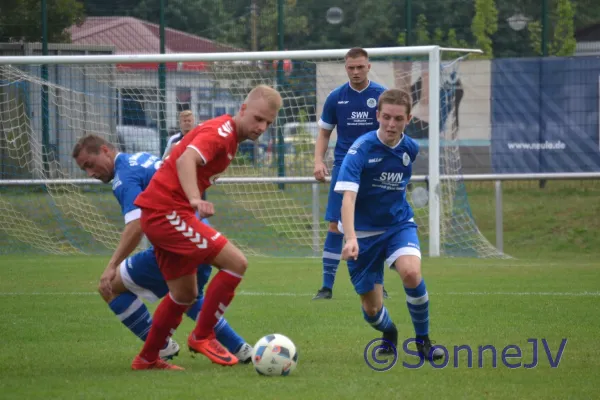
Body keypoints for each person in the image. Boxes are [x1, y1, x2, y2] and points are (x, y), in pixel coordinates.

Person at [130, 84, 282, 370]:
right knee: (236, 263)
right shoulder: (222, 133)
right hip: (166, 212)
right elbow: (187, 158)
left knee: (184, 295)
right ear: (243, 109)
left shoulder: (228, 136)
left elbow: (180, 149)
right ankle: (203, 335)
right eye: (258, 119)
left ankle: (147, 358)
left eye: (268, 123)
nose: (261, 127)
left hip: (164, 212)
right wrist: (194, 199)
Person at [71, 135, 253, 365]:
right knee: (186, 296)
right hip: (202, 239)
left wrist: (111, 266)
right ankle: (241, 348)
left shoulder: (124, 177)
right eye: (84, 169)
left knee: (109, 286)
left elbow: (136, 225)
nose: (90, 173)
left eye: (90, 164)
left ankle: (159, 346)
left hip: (177, 242)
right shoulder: (142, 159)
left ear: (105, 151)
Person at [334, 89, 444, 361]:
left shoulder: (410, 147)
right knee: (372, 311)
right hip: (361, 233)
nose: (391, 124)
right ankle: (390, 331)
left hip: (398, 225)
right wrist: (350, 238)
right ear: (377, 116)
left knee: (410, 273)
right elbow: (348, 198)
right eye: (386, 117)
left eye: (398, 119)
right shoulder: (360, 150)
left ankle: (423, 341)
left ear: (408, 119)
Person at [313, 47, 388, 300]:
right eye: (350, 67)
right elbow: (324, 133)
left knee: (376, 225)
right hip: (344, 167)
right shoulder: (336, 97)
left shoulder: (381, 96)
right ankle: (326, 286)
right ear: (346, 68)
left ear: (368, 66)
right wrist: (317, 161)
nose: (355, 72)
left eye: (360, 67)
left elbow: (391, 132)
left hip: (375, 168)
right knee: (335, 224)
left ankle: (378, 284)